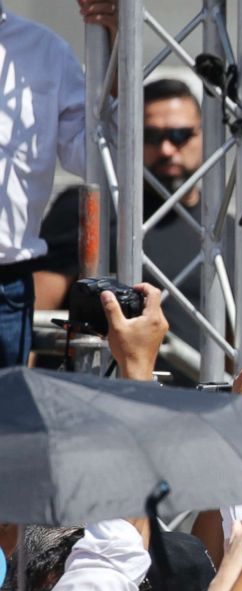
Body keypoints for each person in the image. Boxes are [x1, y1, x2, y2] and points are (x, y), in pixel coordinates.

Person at [35, 78, 236, 383]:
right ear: (129, 138)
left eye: (181, 135)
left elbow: (238, 344)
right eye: (151, 136)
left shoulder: (226, 229)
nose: (167, 149)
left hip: (194, 415)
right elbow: (35, 316)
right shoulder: (89, 209)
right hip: (96, 407)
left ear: (204, 136)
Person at [0, 1, 116, 366]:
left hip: (6, 284)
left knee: (7, 420)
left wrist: (117, 47)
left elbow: (100, 155)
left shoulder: (44, 51)